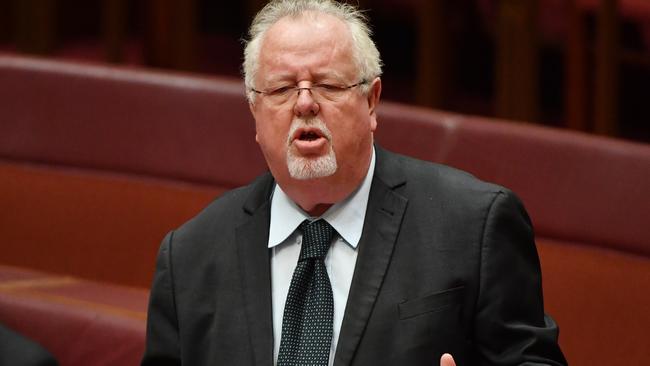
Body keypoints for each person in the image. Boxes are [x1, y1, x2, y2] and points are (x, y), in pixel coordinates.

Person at [141, 1, 567, 365]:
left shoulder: (473, 225)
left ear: (371, 101)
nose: (305, 103)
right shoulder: (190, 256)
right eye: (282, 89)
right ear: (255, 113)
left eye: (327, 85)